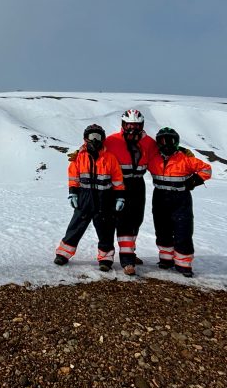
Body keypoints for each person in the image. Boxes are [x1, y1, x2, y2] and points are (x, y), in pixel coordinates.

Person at [55, 124, 126, 271]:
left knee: (105, 229)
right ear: (85, 138)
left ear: (103, 139)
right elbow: (73, 176)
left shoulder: (110, 158)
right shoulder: (79, 157)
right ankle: (63, 254)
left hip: (104, 199)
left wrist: (120, 197)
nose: (95, 140)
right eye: (92, 136)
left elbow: (118, 180)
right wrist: (72, 193)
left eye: (98, 136)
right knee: (76, 226)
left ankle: (105, 258)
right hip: (84, 197)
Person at [147, 127, 212, 277]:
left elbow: (206, 169)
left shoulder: (184, 158)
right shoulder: (153, 159)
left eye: (170, 140)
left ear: (176, 142)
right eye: (162, 141)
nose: (166, 144)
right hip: (160, 197)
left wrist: (195, 180)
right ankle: (166, 259)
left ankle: (183, 264)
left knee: (183, 230)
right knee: (162, 229)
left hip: (180, 199)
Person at [104, 109, 160, 276]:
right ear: (123, 124)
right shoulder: (112, 141)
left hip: (138, 184)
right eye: (129, 125)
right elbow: (95, 151)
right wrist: (80, 153)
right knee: (124, 221)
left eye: (136, 125)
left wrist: (182, 154)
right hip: (118, 185)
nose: (132, 128)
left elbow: (161, 156)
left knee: (137, 219)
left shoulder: (149, 143)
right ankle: (126, 260)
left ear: (141, 125)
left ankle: (130, 252)